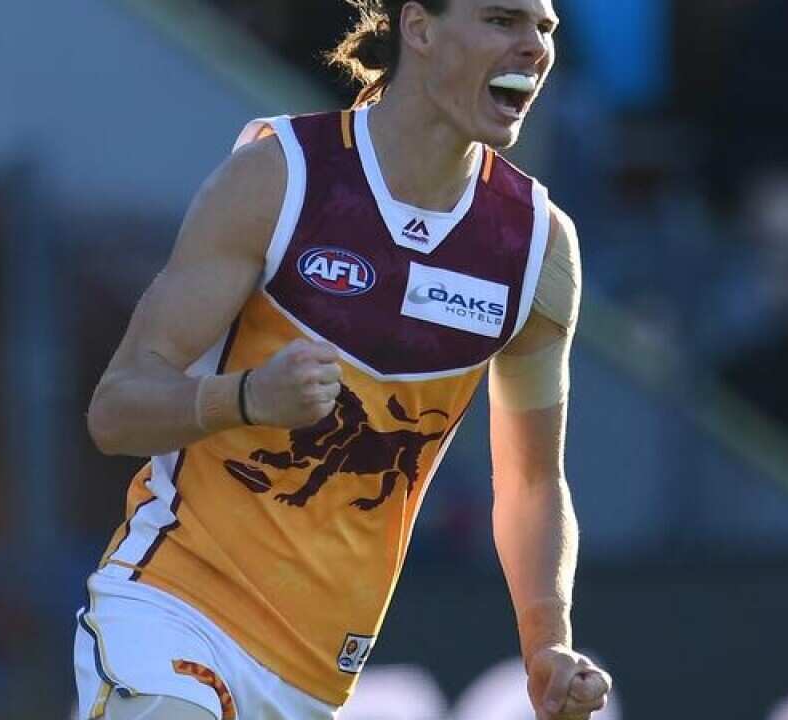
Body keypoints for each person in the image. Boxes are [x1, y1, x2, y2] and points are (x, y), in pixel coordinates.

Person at [73, 1, 612, 718]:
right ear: (418, 28)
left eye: (544, 29)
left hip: (316, 680)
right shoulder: (279, 178)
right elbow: (116, 411)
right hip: (175, 611)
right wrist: (244, 399)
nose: (534, 48)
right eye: (502, 21)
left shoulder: (539, 251)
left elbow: (533, 483)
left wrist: (548, 644)